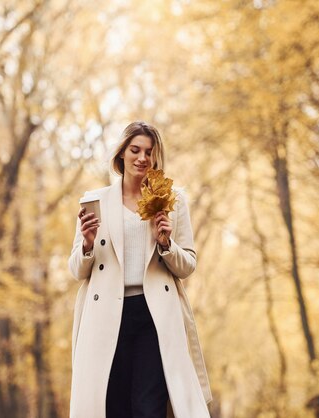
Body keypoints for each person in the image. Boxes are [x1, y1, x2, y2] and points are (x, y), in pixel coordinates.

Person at [68, 121, 212, 418]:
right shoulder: (96, 201)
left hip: (154, 316)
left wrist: (167, 243)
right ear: (121, 154)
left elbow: (188, 265)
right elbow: (76, 270)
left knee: (148, 408)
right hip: (107, 316)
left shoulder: (172, 201)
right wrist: (87, 244)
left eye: (149, 152)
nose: (142, 158)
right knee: (113, 406)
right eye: (135, 150)